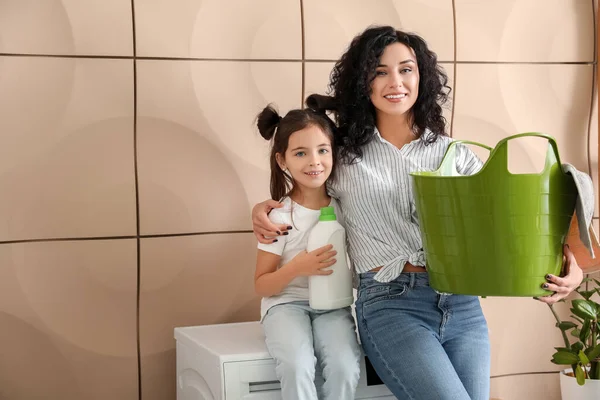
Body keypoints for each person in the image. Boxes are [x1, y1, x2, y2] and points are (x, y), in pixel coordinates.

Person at [251, 26, 584, 399]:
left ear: (421, 77)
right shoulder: (340, 154)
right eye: (380, 71)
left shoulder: (452, 152)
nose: (396, 81)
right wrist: (263, 208)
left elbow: (508, 220)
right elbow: (301, 186)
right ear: (363, 82)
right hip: (391, 304)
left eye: (406, 69)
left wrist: (572, 266)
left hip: (462, 304)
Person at [253, 103, 361, 399]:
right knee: (297, 365)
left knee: (345, 367)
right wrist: (296, 268)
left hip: (333, 306)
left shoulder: (345, 207)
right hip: (286, 305)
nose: (314, 161)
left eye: (323, 150)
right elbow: (261, 283)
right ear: (282, 160)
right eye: (300, 153)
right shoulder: (279, 217)